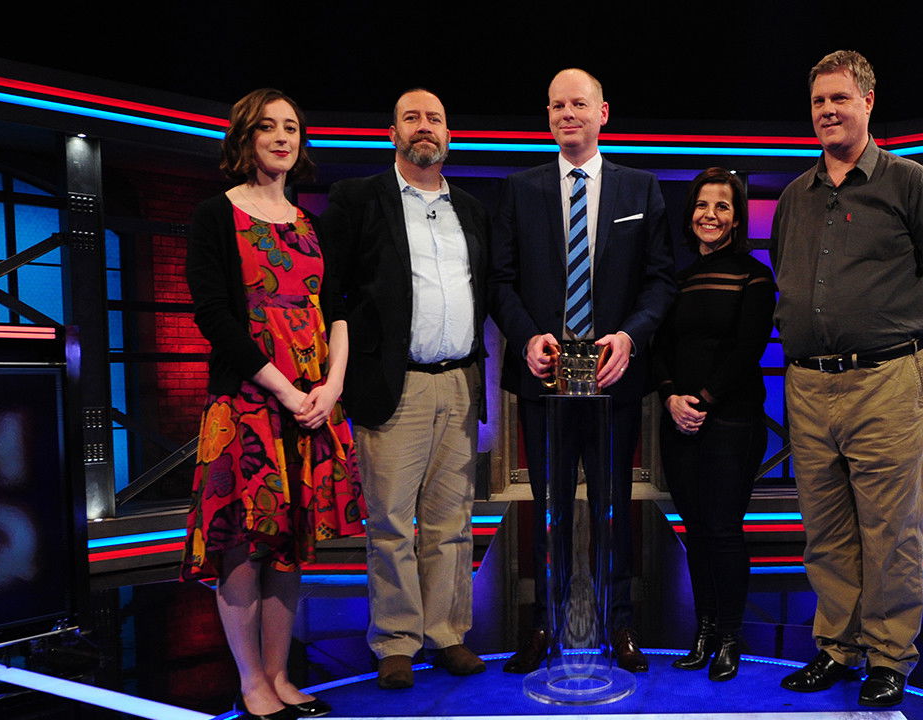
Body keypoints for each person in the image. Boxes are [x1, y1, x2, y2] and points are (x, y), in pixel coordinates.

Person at [772, 50, 923, 707]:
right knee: (826, 529)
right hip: (808, 385)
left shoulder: (911, 183)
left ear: (868, 102)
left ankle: (889, 656)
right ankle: (838, 647)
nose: (828, 110)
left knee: (890, 529)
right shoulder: (795, 197)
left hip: (886, 381)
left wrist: (904, 340)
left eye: (840, 98)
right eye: (818, 101)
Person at [182, 88, 364, 720]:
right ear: (245, 138)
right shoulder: (216, 215)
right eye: (268, 127)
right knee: (242, 541)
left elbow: (337, 311)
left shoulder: (312, 223)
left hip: (312, 401)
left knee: (291, 543)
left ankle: (280, 675)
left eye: (291, 127)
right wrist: (284, 389)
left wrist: (331, 387)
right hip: (248, 402)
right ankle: (251, 682)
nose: (282, 138)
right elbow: (214, 317)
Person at [490, 68, 675, 674]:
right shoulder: (520, 189)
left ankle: (620, 626)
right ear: (548, 116)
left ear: (603, 113)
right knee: (548, 511)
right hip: (544, 383)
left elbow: (660, 281)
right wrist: (526, 337)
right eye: (556, 106)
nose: (567, 114)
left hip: (612, 382)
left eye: (578, 104)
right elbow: (501, 281)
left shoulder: (640, 189)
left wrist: (630, 336)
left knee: (612, 509)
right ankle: (544, 626)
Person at [317, 89, 490, 690]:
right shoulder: (358, 198)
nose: (424, 127)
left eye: (434, 119)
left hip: (460, 382)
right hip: (395, 384)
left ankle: (446, 633)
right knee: (391, 522)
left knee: (452, 522)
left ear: (448, 134)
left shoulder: (471, 207)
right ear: (392, 133)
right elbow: (331, 289)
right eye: (412, 118)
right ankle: (395, 640)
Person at [653, 167, 774, 682]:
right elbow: (659, 347)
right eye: (703, 205)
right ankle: (702, 632)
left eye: (722, 206)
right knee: (696, 530)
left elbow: (748, 350)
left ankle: (729, 636)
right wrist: (670, 397)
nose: (711, 214)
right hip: (678, 419)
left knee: (723, 529)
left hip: (732, 420)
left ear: (737, 217)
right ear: (690, 215)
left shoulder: (754, 275)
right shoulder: (676, 280)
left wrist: (700, 401)